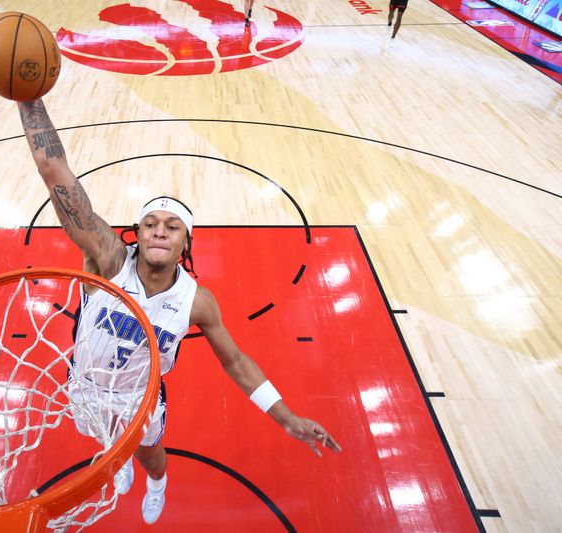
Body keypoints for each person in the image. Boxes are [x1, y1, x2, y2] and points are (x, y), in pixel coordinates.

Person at [17, 99, 342, 525]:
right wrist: (27, 96)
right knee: (108, 441)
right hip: (85, 382)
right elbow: (53, 171)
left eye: (172, 227)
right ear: (137, 232)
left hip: (141, 395)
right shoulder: (107, 258)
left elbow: (237, 363)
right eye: (150, 223)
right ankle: (118, 465)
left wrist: (287, 418)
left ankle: (157, 482)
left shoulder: (197, 302)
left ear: (186, 242)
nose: (159, 231)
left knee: (149, 454)